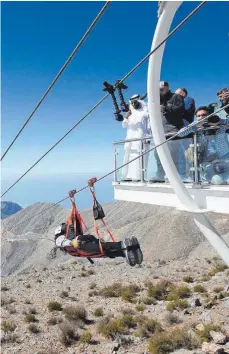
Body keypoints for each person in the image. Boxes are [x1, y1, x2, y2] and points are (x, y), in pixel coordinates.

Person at [178, 106, 229, 184]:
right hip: (208, 163)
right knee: (216, 181)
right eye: (198, 116)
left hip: (224, 160)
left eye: (204, 115)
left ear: (209, 115)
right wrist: (196, 125)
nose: (201, 117)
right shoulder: (196, 125)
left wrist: (219, 122)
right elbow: (180, 134)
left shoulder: (218, 123)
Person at [54, 223, 143, 267]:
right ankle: (128, 251)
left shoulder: (58, 239)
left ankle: (122, 244)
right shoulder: (68, 235)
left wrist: (71, 243)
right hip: (84, 242)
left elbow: (62, 242)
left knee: (101, 248)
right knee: (105, 252)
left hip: (81, 245)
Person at [151, 81, 185, 182]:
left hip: (173, 131)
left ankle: (175, 177)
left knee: (172, 155)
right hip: (161, 133)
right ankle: (161, 175)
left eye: (162, 89)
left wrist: (166, 108)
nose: (160, 91)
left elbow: (181, 109)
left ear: (167, 87)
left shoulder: (175, 97)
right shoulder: (158, 100)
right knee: (158, 155)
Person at [121, 94, 151, 181]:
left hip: (141, 137)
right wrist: (126, 116)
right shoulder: (130, 113)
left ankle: (138, 176)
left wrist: (148, 137)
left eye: (135, 102)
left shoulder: (145, 113)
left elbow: (149, 126)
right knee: (128, 156)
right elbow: (124, 125)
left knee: (139, 156)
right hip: (130, 138)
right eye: (132, 103)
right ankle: (127, 176)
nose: (133, 104)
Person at [175, 88, 196, 182]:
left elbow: (182, 112)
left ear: (183, 94)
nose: (174, 96)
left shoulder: (188, 100)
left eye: (177, 94)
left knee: (188, 154)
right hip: (180, 131)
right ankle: (182, 175)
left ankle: (193, 176)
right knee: (181, 155)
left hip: (187, 130)